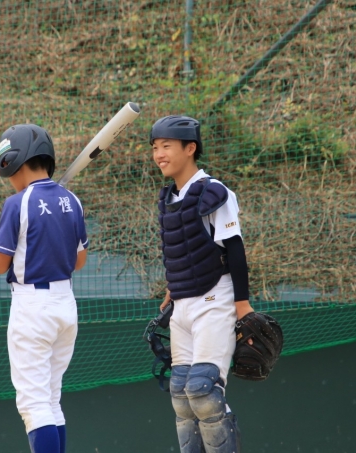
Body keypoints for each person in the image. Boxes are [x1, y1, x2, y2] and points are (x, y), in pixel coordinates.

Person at [150, 115, 255, 453]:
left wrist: (242, 306)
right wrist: (174, 286)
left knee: (203, 392)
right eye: (155, 147)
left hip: (214, 300)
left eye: (166, 146)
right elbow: (183, 250)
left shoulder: (213, 192)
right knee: (182, 398)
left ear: (190, 148)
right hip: (182, 305)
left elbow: (234, 249)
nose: (159, 154)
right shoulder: (170, 197)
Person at [0, 124, 88, 453]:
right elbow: (79, 261)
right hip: (65, 305)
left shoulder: (17, 203)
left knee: (34, 404)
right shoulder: (72, 200)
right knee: (50, 399)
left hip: (32, 308)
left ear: (13, 163)